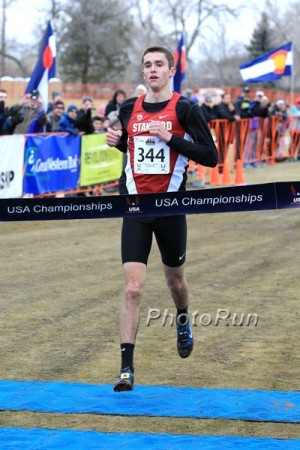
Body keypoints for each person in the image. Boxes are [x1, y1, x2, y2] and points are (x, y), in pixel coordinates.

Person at [106, 46, 218, 392]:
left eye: (159, 65)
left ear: (171, 71)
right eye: (147, 65)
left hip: (170, 210)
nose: (152, 70)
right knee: (133, 287)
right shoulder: (129, 109)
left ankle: (182, 318)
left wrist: (171, 138)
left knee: (176, 283)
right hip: (136, 210)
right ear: (143, 73)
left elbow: (210, 156)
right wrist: (118, 142)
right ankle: (126, 369)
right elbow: (134, 147)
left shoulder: (185, 108)